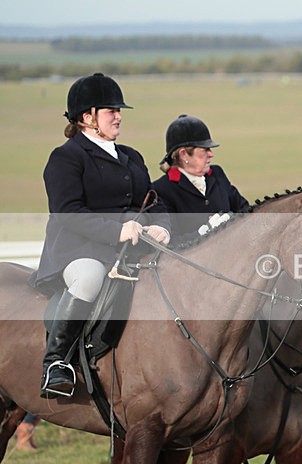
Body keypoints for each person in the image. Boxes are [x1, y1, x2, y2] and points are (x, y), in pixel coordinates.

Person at [30, 72, 171, 399]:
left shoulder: (131, 157)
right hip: (78, 250)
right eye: (110, 111)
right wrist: (117, 230)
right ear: (86, 118)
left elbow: (153, 200)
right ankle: (56, 363)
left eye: (118, 110)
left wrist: (162, 223)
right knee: (90, 277)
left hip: (129, 250)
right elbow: (68, 212)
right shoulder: (66, 158)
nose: (118, 116)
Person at [152, 115, 250, 244]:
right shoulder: (162, 190)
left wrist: (233, 222)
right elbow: (171, 241)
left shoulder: (217, 174)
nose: (211, 154)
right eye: (205, 150)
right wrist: (204, 232)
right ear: (183, 154)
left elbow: (245, 210)